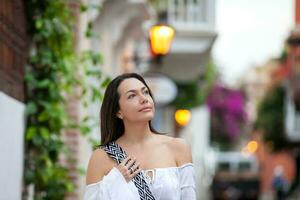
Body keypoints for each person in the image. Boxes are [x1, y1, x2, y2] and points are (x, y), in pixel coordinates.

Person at [84, 73, 196, 200]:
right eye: (132, 96)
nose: (144, 99)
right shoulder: (102, 157)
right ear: (118, 111)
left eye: (146, 92)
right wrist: (116, 179)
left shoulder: (178, 147)